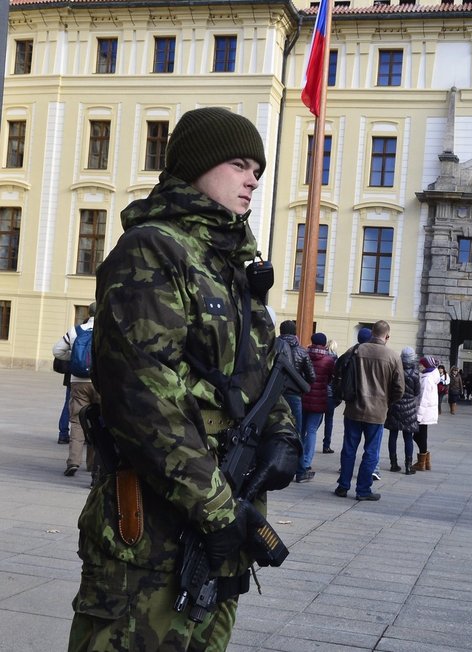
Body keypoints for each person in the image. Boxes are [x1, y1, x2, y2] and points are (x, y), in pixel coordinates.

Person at [67, 107, 301, 651]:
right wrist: (217, 510)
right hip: (152, 528)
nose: (252, 180)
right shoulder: (152, 249)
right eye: (239, 164)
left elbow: (262, 370)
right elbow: (142, 399)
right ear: (197, 166)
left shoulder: (233, 262)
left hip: (223, 512)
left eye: (258, 171)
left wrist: (282, 434)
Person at [334, 320, 404, 501]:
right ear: (387, 336)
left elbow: (339, 368)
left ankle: (343, 486)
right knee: (371, 451)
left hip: (353, 408)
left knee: (349, 449)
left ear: (372, 332)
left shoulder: (356, 350)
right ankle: (363, 490)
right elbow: (399, 388)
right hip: (377, 411)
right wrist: (387, 402)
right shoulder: (393, 356)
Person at [53, 301, 100, 477]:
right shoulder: (107, 331)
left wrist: (73, 357)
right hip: (100, 382)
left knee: (77, 422)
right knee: (99, 422)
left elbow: (57, 350)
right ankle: (95, 466)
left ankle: (73, 461)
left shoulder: (76, 330)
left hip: (78, 382)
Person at [297, 332, 334, 482]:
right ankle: (306, 462)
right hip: (319, 400)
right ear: (325, 344)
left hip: (303, 397)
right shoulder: (329, 360)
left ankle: (296, 459)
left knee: (301, 430)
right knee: (312, 430)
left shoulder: (304, 355)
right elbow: (330, 379)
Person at [384, 347, 419, 475]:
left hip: (395, 405)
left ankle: (393, 463)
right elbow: (417, 392)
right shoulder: (415, 373)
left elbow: (390, 388)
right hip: (409, 407)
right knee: (408, 437)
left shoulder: (395, 370)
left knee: (393, 435)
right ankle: (408, 466)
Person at [277, 320, 315, 430]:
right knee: (296, 429)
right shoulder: (302, 351)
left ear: (281, 331)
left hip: (275, 393)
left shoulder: (273, 347)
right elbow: (311, 376)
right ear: (295, 333)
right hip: (294, 394)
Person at [412, 355, 440, 471]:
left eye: (421, 364)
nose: (419, 366)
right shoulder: (429, 376)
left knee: (418, 436)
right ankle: (426, 461)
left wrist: (418, 416)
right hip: (427, 411)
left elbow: (424, 399)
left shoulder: (427, 378)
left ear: (426, 365)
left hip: (424, 412)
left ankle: (422, 461)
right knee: (422, 435)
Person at [321, 338, 340, 454]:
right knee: (329, 420)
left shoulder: (322, 358)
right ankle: (326, 445)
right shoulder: (336, 361)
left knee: (315, 422)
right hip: (331, 395)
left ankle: (307, 439)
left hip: (320, 393)